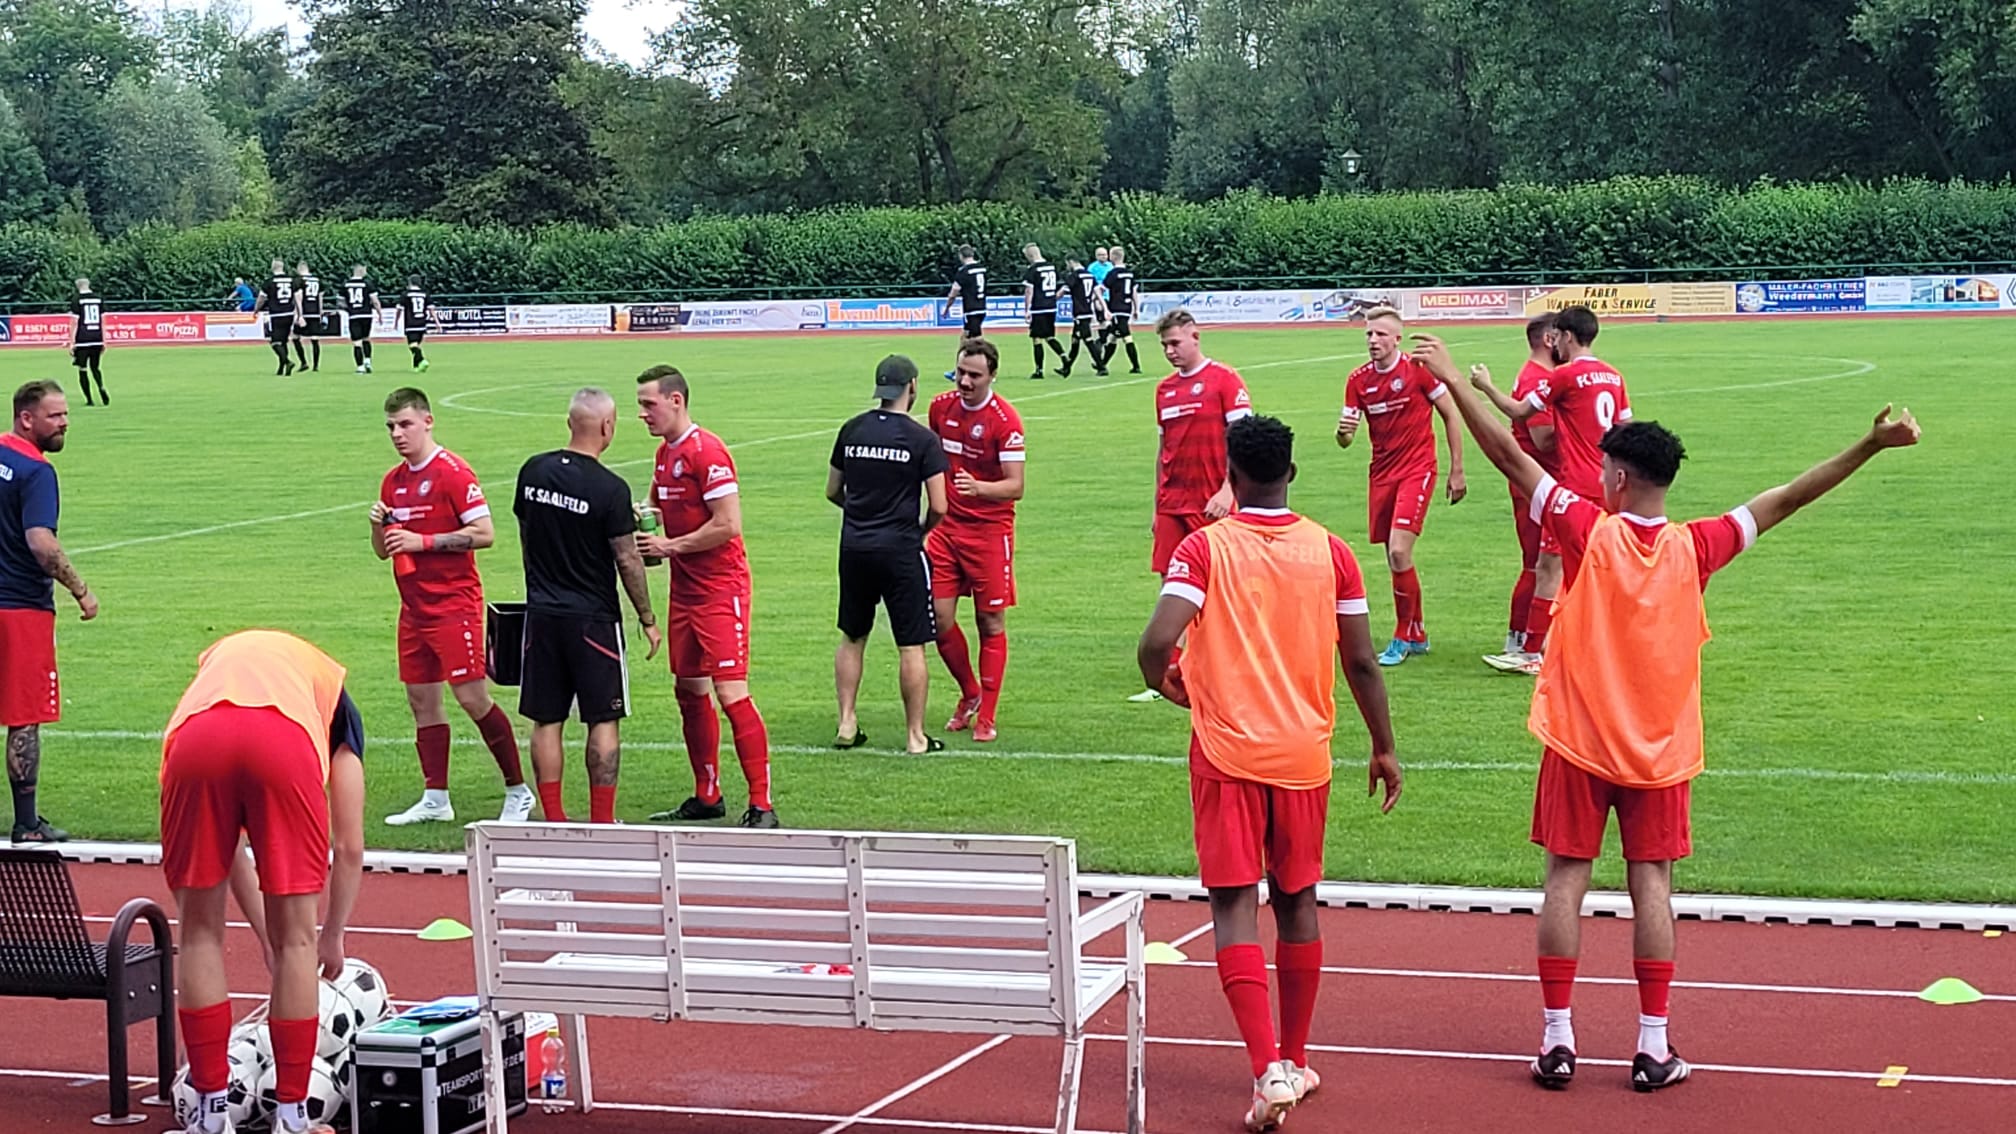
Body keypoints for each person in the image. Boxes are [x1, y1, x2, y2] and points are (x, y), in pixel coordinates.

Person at [1413, 331, 1921, 1095]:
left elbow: (1511, 459)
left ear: (1614, 477)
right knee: (1652, 885)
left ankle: (1558, 1041)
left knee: (1564, 881)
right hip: (1660, 753)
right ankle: (1653, 1046)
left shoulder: (1588, 530)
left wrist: (1451, 379)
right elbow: (1788, 496)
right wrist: (1871, 445)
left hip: (1579, 743)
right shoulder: (1698, 546)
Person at [1136, 414, 1401, 1131]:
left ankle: (1267, 1072)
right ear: (1292, 472)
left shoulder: (1205, 548)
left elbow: (1156, 641)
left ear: (1233, 473)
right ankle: (1296, 1056)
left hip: (1227, 754)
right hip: (1304, 757)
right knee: (1297, 901)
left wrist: (1172, 685)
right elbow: (1362, 661)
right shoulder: (1332, 552)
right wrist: (1383, 745)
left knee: (1232, 907)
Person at [160, 630, 366, 1134]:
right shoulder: (336, 702)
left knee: (200, 933)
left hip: (194, 737)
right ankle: (293, 1117)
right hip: (284, 742)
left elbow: (225, 847)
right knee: (299, 942)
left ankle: (210, 1112)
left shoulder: (217, 669)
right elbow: (351, 846)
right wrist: (331, 935)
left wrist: (260, 933)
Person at [370, 388, 533, 827]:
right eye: (390, 427)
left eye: (404, 424)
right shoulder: (394, 480)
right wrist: (378, 529)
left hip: (453, 605)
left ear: (427, 421)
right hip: (414, 609)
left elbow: (484, 533)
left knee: (472, 698)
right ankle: (436, 796)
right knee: (422, 702)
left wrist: (423, 542)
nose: (397, 434)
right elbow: (384, 551)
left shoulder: (453, 473)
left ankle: (518, 790)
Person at [632, 366, 778, 829]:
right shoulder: (663, 455)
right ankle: (707, 793)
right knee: (689, 690)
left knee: (731, 691)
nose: (642, 413)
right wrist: (643, 517)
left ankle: (762, 804)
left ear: (676, 401)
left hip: (721, 589)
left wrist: (669, 547)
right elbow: (657, 506)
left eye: (648, 404)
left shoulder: (707, 451)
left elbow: (727, 524)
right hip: (686, 590)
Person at [512, 389, 659, 824]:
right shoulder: (610, 488)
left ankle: (554, 818)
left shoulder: (532, 472)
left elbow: (526, 535)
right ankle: (601, 820)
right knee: (603, 718)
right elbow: (628, 558)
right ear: (608, 427)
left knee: (546, 719)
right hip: (593, 619)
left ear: (569, 422)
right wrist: (648, 618)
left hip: (542, 613)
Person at [826, 356, 950, 755]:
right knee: (911, 644)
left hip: (855, 547)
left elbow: (832, 490)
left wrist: (861, 513)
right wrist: (919, 529)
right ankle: (915, 736)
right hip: (900, 549)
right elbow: (940, 504)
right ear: (912, 386)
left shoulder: (852, 429)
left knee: (852, 635)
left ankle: (846, 723)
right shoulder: (922, 439)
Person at [1128, 308, 1251, 703]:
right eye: (1164, 345)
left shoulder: (1225, 380)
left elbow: (1243, 440)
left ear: (1195, 337)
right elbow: (1163, 448)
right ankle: (1174, 671)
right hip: (1172, 501)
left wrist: (1228, 490)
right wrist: (1155, 504)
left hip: (1211, 502)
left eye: (1175, 343)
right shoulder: (1163, 389)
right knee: (1171, 587)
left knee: (1217, 588)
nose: (1170, 351)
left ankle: (1226, 663)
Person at [1333, 305, 1467, 667]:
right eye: (1368, 335)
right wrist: (1343, 435)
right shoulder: (1357, 380)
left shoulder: (1417, 371)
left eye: (1379, 334)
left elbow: (1452, 415)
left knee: (1398, 552)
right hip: (1381, 474)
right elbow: (1346, 438)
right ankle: (1418, 632)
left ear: (1396, 338)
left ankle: (1402, 636)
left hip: (1418, 469)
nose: (1373, 341)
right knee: (1395, 559)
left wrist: (1457, 469)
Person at [2, 382, 95, 845]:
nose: (64, 424)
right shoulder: (36, 472)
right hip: (19, 607)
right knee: (25, 715)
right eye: (55, 416)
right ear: (27, 418)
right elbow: (41, 542)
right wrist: (81, 591)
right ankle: (26, 823)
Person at [926, 339, 1024, 744]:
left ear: (992, 376)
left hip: (989, 531)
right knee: (939, 617)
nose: (964, 382)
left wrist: (979, 488)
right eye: (960, 373)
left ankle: (988, 712)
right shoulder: (939, 407)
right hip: (946, 530)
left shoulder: (1005, 420)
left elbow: (1016, 486)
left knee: (990, 620)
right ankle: (969, 692)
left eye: (974, 376)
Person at [1475, 315, 1562, 674]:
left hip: (1533, 481)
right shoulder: (1537, 378)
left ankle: (1528, 639)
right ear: (1548, 339)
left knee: (1545, 562)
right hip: (1537, 483)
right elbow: (1543, 439)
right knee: (1540, 562)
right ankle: (1522, 642)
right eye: (1561, 336)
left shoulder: (1535, 376)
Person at [1020, 244, 1068, 380]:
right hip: (1051, 306)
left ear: (1030, 255)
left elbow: (1029, 290)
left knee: (1037, 339)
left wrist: (1027, 310)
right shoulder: (1051, 266)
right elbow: (1060, 287)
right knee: (1049, 336)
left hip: (1039, 307)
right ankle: (1065, 358)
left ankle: (1039, 370)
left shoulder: (1033, 269)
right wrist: (1054, 298)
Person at [1060, 257, 1111, 377]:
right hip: (1087, 310)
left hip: (1080, 311)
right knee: (1075, 340)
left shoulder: (1075, 276)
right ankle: (1066, 368)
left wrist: (1052, 299)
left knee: (1088, 340)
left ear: (1071, 262)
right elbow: (1096, 292)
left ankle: (1101, 367)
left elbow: (1064, 291)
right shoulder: (1089, 275)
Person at [1100, 247, 1142, 374]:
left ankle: (1136, 366)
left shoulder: (1113, 273)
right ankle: (1102, 364)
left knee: (1126, 336)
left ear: (1113, 257)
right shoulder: (1129, 273)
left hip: (1117, 308)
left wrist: (1103, 306)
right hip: (1127, 308)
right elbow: (1134, 292)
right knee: (1113, 337)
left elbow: (1101, 288)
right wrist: (1136, 308)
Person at [69, 278, 107, 407]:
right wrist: (104, 340)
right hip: (97, 337)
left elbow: (74, 322)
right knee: (95, 367)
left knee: (83, 369)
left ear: (77, 287)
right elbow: (103, 321)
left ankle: (89, 399)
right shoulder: (98, 298)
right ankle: (101, 386)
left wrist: (71, 342)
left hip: (82, 339)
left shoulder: (76, 300)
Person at [260, 258, 299, 377]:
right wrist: (299, 313)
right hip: (289, 313)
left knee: (275, 342)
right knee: (283, 341)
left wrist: (256, 309)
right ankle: (282, 368)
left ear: (273, 267)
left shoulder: (269, 282)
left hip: (276, 314)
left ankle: (287, 362)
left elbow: (261, 298)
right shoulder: (292, 281)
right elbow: (297, 298)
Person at [943, 245, 988, 341]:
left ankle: (984, 354)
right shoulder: (982, 269)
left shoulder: (964, 271)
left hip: (971, 308)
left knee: (976, 338)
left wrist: (947, 307)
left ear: (961, 256)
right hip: (982, 306)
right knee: (965, 337)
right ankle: (963, 355)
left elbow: (954, 292)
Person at [343, 265, 382, 374]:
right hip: (366, 315)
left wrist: (349, 309)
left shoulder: (346, 285)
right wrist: (379, 313)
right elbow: (375, 301)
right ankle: (368, 360)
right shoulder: (367, 284)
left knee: (357, 342)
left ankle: (360, 367)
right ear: (361, 271)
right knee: (366, 338)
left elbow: (341, 302)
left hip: (354, 316)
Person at [293, 261, 325, 373]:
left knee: (295, 337)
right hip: (315, 312)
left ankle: (304, 362)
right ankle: (316, 366)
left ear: (299, 269)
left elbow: (299, 298)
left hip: (305, 312)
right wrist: (320, 312)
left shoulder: (299, 281)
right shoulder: (317, 280)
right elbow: (321, 297)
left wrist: (299, 315)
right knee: (315, 338)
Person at [399, 275, 431, 372]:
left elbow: (399, 309)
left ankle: (422, 360)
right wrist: (437, 323)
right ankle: (417, 367)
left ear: (410, 283)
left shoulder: (406, 294)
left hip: (410, 323)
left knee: (412, 345)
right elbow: (431, 309)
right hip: (422, 323)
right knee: (417, 344)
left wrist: (396, 322)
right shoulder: (424, 294)